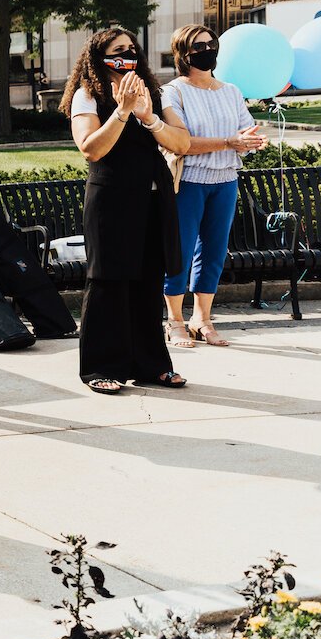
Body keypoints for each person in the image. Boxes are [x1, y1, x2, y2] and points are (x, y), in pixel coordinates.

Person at [61, 27, 192, 394]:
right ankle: (102, 366)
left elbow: (181, 142)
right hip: (112, 200)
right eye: (118, 49)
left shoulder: (154, 92)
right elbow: (91, 148)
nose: (127, 55)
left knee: (148, 280)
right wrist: (121, 112)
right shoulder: (87, 96)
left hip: (152, 199)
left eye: (132, 49)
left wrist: (149, 117)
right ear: (99, 55)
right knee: (109, 283)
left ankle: (151, 365)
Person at [160, 25, 267, 349]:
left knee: (214, 253)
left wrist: (249, 141)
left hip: (225, 181)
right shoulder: (173, 92)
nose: (207, 50)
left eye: (211, 43)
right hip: (189, 181)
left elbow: (243, 130)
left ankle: (202, 319)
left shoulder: (230, 91)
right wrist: (228, 141)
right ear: (183, 54)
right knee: (179, 252)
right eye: (198, 46)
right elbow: (181, 143)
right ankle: (175, 321)